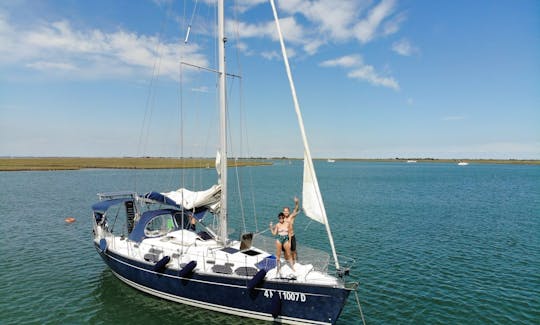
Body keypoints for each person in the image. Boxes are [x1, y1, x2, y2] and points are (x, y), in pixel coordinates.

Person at [283, 196, 300, 264]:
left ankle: (295, 262)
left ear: (289, 212)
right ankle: (287, 261)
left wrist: (296, 203)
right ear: (283, 212)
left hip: (292, 236)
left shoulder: (291, 217)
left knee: (293, 250)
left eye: (287, 211)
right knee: (285, 251)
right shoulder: (282, 218)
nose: (286, 212)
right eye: (285, 211)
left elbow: (296, 209)